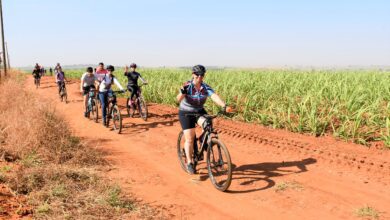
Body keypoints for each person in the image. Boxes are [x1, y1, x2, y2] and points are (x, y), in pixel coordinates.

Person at [176, 65, 230, 174]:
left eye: (202, 75)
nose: (200, 77)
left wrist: (224, 105)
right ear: (193, 75)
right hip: (186, 113)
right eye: (197, 75)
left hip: (199, 111)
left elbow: (214, 96)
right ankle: (190, 162)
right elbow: (178, 99)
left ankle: (202, 140)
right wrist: (182, 93)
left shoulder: (205, 87)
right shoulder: (187, 86)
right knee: (190, 139)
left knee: (208, 124)